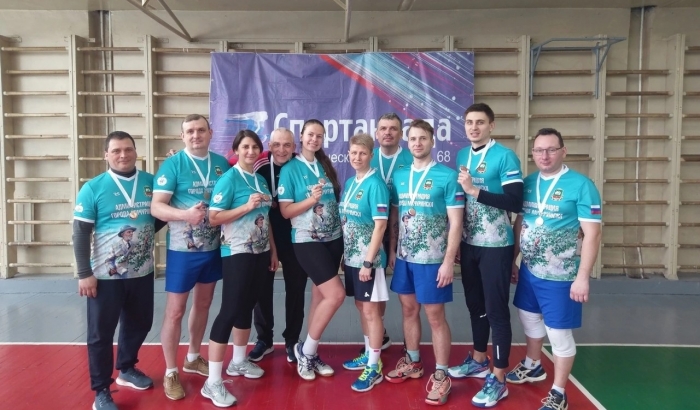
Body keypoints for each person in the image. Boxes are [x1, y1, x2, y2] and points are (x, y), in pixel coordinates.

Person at [508, 128, 602, 410]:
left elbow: (593, 234)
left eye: (551, 149)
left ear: (563, 151)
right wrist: (514, 259)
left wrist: (582, 277)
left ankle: (559, 393)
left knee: (558, 334)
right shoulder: (528, 183)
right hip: (529, 270)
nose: (544, 155)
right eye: (539, 150)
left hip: (561, 275)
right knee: (528, 317)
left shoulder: (581, 186)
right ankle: (533, 364)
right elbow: (520, 223)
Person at [73, 131, 161, 410]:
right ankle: (101, 390)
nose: (123, 155)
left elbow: (158, 217)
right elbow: (80, 232)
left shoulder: (150, 183)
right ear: (106, 155)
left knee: (141, 322)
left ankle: (127, 368)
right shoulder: (93, 188)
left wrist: (142, 237)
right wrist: (84, 273)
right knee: (100, 333)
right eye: (116, 151)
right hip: (104, 276)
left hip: (141, 271)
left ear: (136, 151)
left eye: (128, 149)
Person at [448, 103, 523, 408]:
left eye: (480, 122)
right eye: (469, 122)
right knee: (475, 305)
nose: (474, 127)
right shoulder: (462, 156)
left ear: (491, 125)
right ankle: (480, 359)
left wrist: (475, 191)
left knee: (496, 310)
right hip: (470, 245)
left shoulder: (505, 156)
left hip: (496, 245)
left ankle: (500, 377)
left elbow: (515, 201)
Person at [385, 119, 465, 406]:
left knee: (434, 316)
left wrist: (448, 262)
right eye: (413, 139)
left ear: (432, 141)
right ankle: (413, 361)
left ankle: (442, 374)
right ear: (407, 143)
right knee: (408, 310)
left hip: (432, 261)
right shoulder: (401, 176)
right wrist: (392, 249)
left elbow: (456, 223)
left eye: (422, 138)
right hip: (405, 258)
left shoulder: (447, 176)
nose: (417, 143)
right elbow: (396, 215)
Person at [151, 114, 230, 400]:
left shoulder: (221, 164)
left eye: (200, 130)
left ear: (210, 132)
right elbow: (156, 207)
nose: (196, 135)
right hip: (182, 251)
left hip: (213, 248)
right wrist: (185, 215)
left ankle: (193, 357)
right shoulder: (173, 165)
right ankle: (171, 371)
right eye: (190, 131)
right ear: (182, 136)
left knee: (204, 303)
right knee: (175, 311)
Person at [200, 129, 278, 407]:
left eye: (255, 147)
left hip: (260, 252)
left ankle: (238, 361)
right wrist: (245, 207)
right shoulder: (229, 179)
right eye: (245, 147)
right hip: (236, 253)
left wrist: (273, 251)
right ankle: (212, 382)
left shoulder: (260, 180)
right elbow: (213, 217)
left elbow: (265, 217)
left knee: (247, 306)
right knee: (230, 310)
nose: (251, 151)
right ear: (236, 150)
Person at [277, 119, 345, 381]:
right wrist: (311, 200)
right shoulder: (290, 169)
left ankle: (311, 352)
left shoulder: (325, 165)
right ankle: (305, 351)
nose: (314, 139)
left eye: (319, 136)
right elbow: (285, 212)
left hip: (333, 239)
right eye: (310, 135)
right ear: (301, 137)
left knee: (320, 297)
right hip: (307, 240)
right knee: (336, 295)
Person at [249, 128, 308, 364]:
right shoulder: (260, 169)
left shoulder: (302, 169)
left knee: (296, 289)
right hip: (265, 236)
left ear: (294, 147)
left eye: (287, 145)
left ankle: (292, 339)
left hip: (295, 237)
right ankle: (264, 339)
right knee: (261, 288)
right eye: (277, 145)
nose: (282, 150)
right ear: (269, 146)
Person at [339, 133, 391, 392]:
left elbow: (380, 226)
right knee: (361, 306)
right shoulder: (350, 182)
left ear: (371, 155)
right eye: (353, 152)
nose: (357, 157)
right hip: (352, 258)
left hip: (368, 261)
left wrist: (368, 262)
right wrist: (345, 256)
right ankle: (369, 353)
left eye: (362, 153)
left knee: (371, 311)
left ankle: (374, 366)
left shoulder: (376, 184)